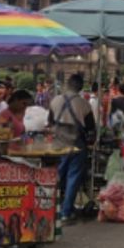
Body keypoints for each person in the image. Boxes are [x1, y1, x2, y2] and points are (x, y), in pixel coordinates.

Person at [49, 74, 96, 223]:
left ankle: (49, 208)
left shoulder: (55, 100)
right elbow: (91, 128)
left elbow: (50, 122)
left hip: (58, 144)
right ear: (81, 87)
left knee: (57, 176)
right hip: (77, 144)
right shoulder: (84, 103)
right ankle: (65, 212)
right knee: (73, 177)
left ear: (67, 85)